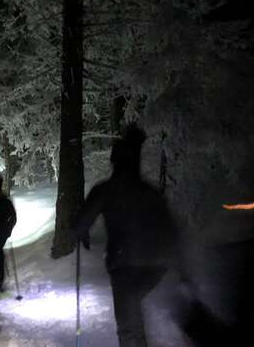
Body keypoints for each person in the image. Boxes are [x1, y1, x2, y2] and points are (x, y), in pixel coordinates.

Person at [71, 124, 177, 347]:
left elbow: (80, 223)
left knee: (129, 325)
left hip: (125, 264)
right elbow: (169, 226)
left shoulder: (106, 190)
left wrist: (80, 231)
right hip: (156, 264)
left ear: (114, 160)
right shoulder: (149, 191)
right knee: (132, 313)